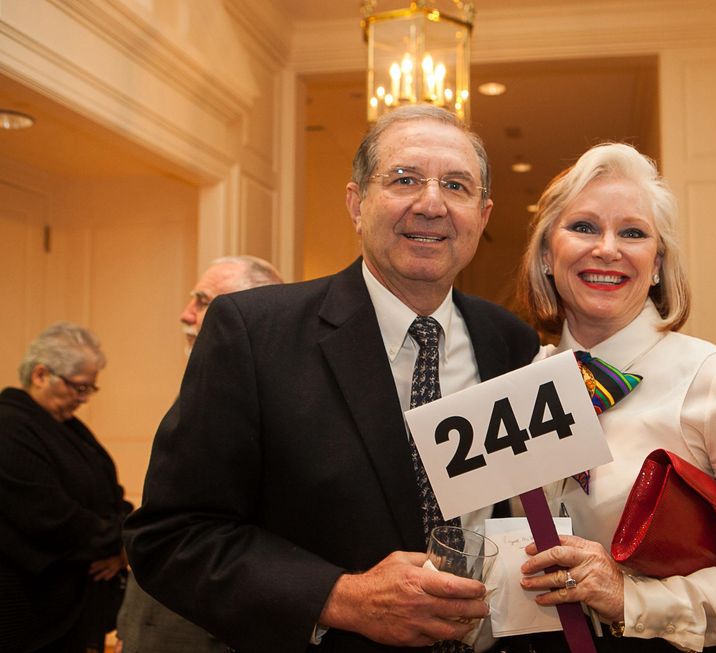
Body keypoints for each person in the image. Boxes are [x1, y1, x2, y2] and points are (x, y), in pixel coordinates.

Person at [124, 105, 539, 653]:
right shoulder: (253, 333)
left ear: (482, 216)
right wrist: (341, 598)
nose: (431, 203)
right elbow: (172, 536)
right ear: (356, 203)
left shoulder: (510, 342)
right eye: (404, 179)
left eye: (456, 186)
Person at [515, 143, 716, 652]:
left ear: (658, 264)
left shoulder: (712, 379)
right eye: (583, 227)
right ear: (547, 257)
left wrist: (633, 601)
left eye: (633, 233)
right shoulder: (522, 381)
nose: (607, 249)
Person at [114, 255, 283, 653]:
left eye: (203, 300)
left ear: (252, 309)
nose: (185, 314)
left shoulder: (280, 403)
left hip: (208, 631)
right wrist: (130, 626)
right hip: (149, 623)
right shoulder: (196, 388)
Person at [0, 322, 131, 653]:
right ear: (42, 375)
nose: (84, 399)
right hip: (30, 612)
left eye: (89, 389)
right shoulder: (9, 426)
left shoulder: (69, 428)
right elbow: (48, 516)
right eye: (80, 388)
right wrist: (117, 542)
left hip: (74, 609)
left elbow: (113, 497)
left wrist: (123, 545)